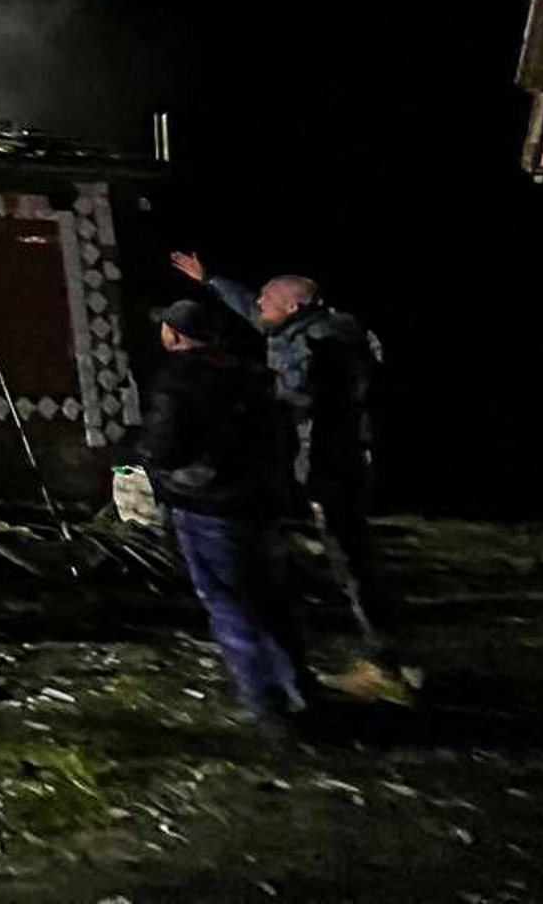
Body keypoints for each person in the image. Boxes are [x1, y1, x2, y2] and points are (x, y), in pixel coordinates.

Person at [169, 251, 403, 702]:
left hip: (331, 469)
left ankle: (386, 665)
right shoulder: (309, 328)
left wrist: (246, 402)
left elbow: (297, 400)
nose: (258, 304)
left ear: (292, 307)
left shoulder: (312, 346)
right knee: (339, 558)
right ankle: (381, 656)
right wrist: (210, 279)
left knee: (351, 562)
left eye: (267, 298)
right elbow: (252, 312)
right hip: (330, 465)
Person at [140, 298, 312, 728]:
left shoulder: (177, 381)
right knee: (271, 597)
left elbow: (166, 448)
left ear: (174, 335)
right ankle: (297, 685)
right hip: (260, 503)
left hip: (207, 506)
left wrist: (147, 460)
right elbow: (284, 438)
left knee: (228, 601)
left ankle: (264, 701)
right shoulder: (252, 375)